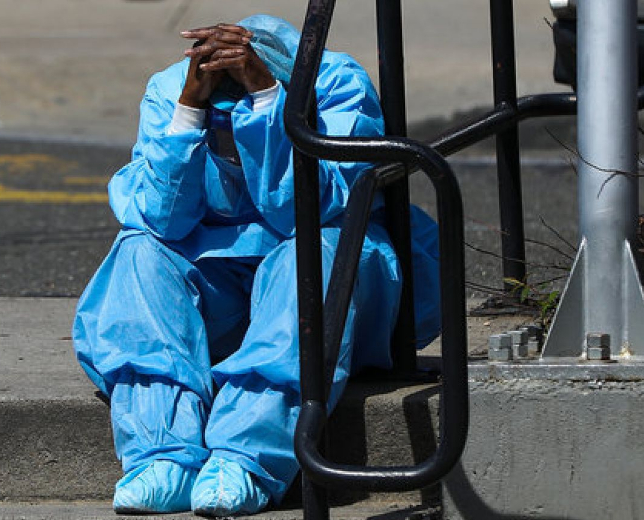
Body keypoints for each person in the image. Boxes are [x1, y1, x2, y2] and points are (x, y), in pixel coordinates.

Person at [73, 14, 440, 517]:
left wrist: (267, 101)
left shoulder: (334, 83)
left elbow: (310, 208)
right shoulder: (168, 89)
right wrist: (189, 111)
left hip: (330, 271)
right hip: (224, 289)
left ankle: (246, 456)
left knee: (309, 254)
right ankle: (164, 455)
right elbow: (160, 215)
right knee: (139, 251)